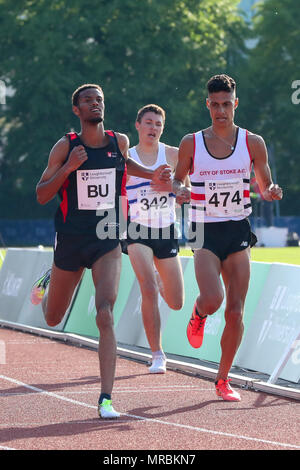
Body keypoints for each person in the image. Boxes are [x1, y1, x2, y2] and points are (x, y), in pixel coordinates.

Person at [30, 84, 171, 418]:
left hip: (107, 236)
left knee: (104, 311)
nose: (95, 104)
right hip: (71, 238)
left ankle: (106, 398)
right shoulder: (65, 146)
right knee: (52, 317)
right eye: (88, 101)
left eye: (99, 100)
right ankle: (50, 278)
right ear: (77, 110)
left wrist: (152, 175)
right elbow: (41, 194)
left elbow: (124, 166)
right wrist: (68, 168)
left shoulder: (118, 141)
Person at [173, 74, 283, 401]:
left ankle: (223, 380)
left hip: (237, 228)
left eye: (226, 104)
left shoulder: (253, 143)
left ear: (235, 103)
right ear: (208, 105)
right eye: (215, 105)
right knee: (213, 299)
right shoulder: (191, 143)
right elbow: (179, 180)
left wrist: (272, 191)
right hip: (203, 230)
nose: (221, 110)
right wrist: (180, 191)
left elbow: (265, 185)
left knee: (235, 311)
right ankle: (199, 313)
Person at [124, 104, 187, 374]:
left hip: (167, 231)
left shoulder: (172, 154)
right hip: (137, 230)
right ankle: (157, 354)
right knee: (147, 288)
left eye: (158, 124)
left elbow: (186, 188)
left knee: (176, 302)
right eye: (148, 122)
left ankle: (160, 278)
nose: (153, 128)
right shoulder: (126, 157)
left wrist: (177, 190)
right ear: (137, 125)